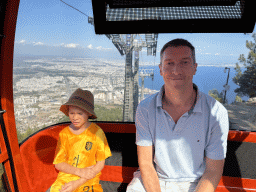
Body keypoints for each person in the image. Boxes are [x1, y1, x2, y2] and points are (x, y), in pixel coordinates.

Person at [126, 38, 229, 192]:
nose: (176, 70)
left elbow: (213, 171)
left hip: (196, 183)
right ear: (161, 69)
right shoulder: (145, 109)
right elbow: (146, 164)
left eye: (184, 62)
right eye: (169, 63)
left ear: (195, 68)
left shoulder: (216, 112)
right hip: (155, 179)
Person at [47, 88, 112, 192]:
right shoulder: (64, 134)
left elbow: (100, 163)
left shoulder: (97, 133)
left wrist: (78, 182)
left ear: (88, 113)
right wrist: (80, 171)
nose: (75, 117)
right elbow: (58, 163)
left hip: (89, 179)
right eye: (72, 113)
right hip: (65, 178)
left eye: (80, 113)